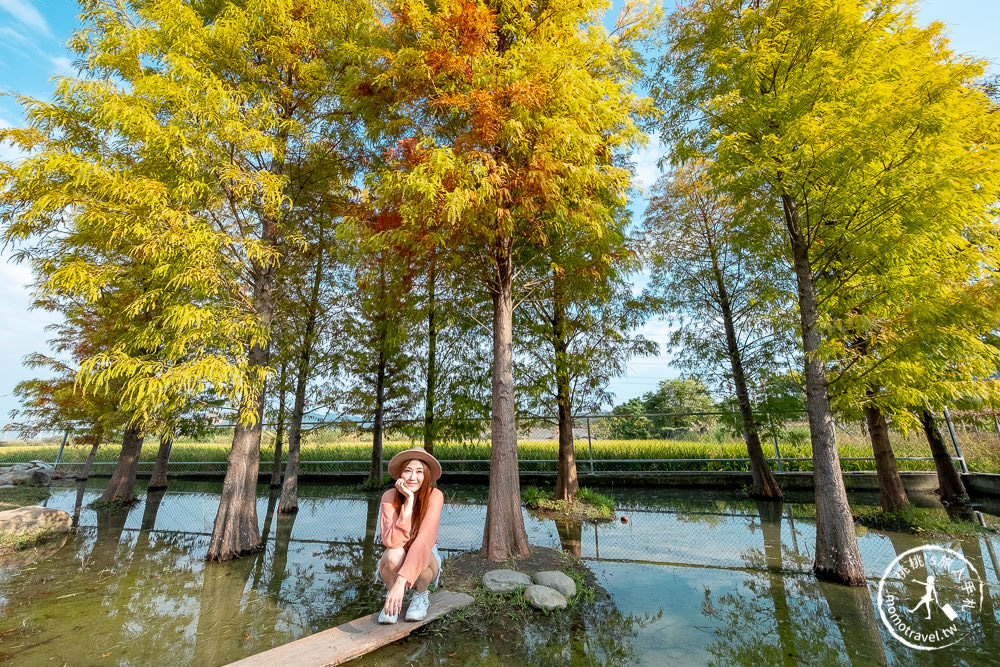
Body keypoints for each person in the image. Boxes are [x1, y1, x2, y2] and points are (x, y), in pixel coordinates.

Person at [376, 445, 444, 624]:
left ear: (426, 475)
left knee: (422, 558)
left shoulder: (435, 496)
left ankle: (420, 596)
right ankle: (392, 599)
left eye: (419, 471)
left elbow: (424, 541)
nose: (413, 477)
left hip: (425, 554)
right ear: (400, 474)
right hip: (399, 550)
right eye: (408, 471)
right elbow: (392, 541)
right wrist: (408, 505)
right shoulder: (389, 497)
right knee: (393, 555)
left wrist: (401, 582)